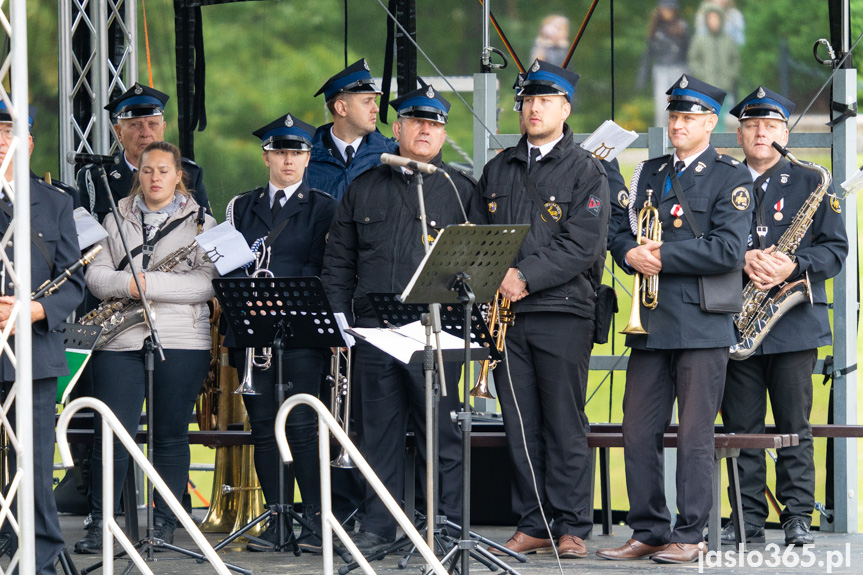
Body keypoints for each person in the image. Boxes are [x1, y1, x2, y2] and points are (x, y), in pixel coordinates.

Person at [598, 75, 753, 564]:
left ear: (710, 122)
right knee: (637, 429)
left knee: (693, 434)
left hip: (702, 324)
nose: (679, 124)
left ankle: (691, 533)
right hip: (651, 321)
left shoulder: (732, 177)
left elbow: (729, 250)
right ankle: (648, 530)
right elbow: (620, 231)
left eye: (689, 117)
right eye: (674, 116)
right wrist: (629, 255)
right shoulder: (647, 172)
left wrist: (660, 255)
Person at [322, 83, 475, 556]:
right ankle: (378, 529)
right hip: (375, 332)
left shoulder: (460, 189)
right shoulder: (363, 187)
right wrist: (341, 323)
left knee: (442, 435)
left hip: (438, 331)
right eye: (417, 122)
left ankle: (443, 526)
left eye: (435, 124)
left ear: (444, 135)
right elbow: (339, 264)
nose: (425, 130)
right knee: (377, 436)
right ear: (398, 129)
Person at [472, 60, 609, 559]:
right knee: (520, 425)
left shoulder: (587, 170)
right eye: (528, 100)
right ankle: (533, 521)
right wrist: (494, 278)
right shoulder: (497, 167)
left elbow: (583, 246)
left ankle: (572, 525)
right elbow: (478, 238)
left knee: (564, 423)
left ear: (565, 108)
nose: (534, 109)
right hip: (508, 320)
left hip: (563, 312)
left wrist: (522, 276)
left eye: (545, 101)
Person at [74, 141, 217, 553]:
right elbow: (96, 275)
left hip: (181, 339)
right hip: (119, 338)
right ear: (139, 173)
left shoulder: (203, 224)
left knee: (170, 435)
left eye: (164, 171)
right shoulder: (113, 216)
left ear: (179, 176)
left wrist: (148, 285)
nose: (155, 178)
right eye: (148, 170)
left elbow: (206, 283)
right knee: (111, 433)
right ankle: (100, 523)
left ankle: (163, 522)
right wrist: (126, 284)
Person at [720, 87, 848, 547]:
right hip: (735, 320)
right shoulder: (722, 179)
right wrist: (743, 261)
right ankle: (747, 518)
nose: (761, 133)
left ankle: (797, 518)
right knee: (740, 428)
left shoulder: (811, 181)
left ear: (784, 133)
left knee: (796, 425)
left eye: (771, 126)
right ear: (739, 133)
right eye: (753, 126)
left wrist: (794, 266)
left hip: (793, 324)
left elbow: (836, 251)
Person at [224, 114, 337, 553]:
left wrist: (283, 301)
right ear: (266, 155)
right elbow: (227, 262)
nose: (289, 160)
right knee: (264, 427)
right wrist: (250, 300)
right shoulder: (240, 206)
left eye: (298, 152)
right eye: (281, 151)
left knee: (303, 426)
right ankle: (277, 519)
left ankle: (311, 522)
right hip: (252, 332)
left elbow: (319, 266)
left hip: (300, 330)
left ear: (308, 158)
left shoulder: (323, 206)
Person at [0, 103, 85, 574]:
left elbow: (73, 282)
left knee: (32, 461)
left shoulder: (54, 202)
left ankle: (43, 553)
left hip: (33, 348)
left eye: (8, 134)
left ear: (28, 143)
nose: (0, 143)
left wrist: (35, 309)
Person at [75, 83, 209, 222]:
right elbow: (86, 238)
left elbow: (206, 234)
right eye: (135, 125)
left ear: (162, 129)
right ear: (119, 132)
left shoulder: (189, 173)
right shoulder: (96, 177)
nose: (145, 133)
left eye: (152, 124)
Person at [307, 59, 398, 201]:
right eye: (367, 102)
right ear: (341, 108)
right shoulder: (304, 159)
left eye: (375, 101)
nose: (376, 109)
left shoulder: (393, 156)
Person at [688, 5, 740, 131]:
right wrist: (702, 75)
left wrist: (730, 76)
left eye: (716, 18)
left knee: (720, 118)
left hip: (723, 86)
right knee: (705, 117)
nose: (714, 22)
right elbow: (693, 60)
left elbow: (736, 60)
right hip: (706, 86)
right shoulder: (700, 40)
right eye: (710, 18)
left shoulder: (728, 40)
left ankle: (719, 147)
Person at [639, 0, 690, 128]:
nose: (667, 12)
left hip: (679, 69)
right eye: (665, 9)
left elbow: (690, 52)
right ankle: (661, 141)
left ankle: (680, 140)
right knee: (662, 108)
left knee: (680, 108)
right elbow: (647, 53)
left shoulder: (683, 27)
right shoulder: (656, 28)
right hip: (661, 70)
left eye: (670, 9)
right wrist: (642, 77)